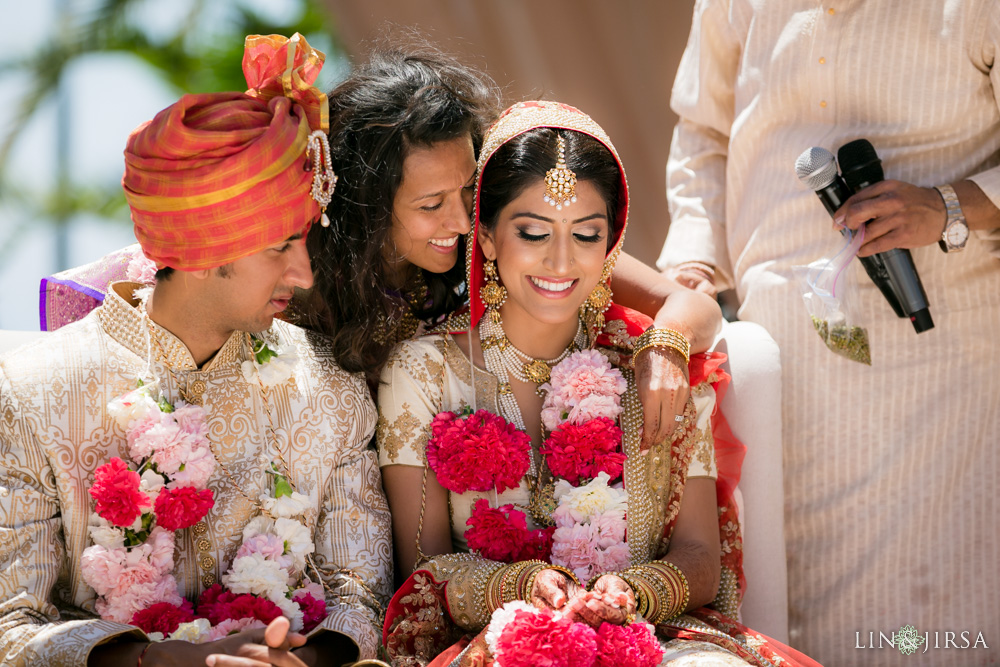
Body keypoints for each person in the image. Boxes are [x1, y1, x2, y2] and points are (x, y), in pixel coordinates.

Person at [42, 42, 721, 453]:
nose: (461, 221)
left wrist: (664, 349)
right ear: (365, 208)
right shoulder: (288, 279)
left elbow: (687, 304)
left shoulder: (500, 232)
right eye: (430, 206)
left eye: (466, 191)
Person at [375, 100, 820, 666]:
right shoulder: (422, 372)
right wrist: (519, 589)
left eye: (586, 234)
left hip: (653, 635)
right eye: (533, 232)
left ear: (610, 245)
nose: (561, 262)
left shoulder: (655, 366)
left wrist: (633, 593)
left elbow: (701, 557)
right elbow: (424, 568)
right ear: (485, 238)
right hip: (497, 640)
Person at [0, 34, 391, 666]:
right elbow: (10, 626)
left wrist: (298, 660)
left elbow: (361, 600)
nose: (305, 275)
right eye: (278, 247)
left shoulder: (332, 393)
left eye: (304, 242)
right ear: (205, 251)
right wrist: (163, 661)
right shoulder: (33, 390)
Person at [658, 2, 1000, 663]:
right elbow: (705, 133)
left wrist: (948, 206)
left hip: (943, 364)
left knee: (937, 610)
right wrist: (693, 271)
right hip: (780, 366)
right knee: (795, 600)